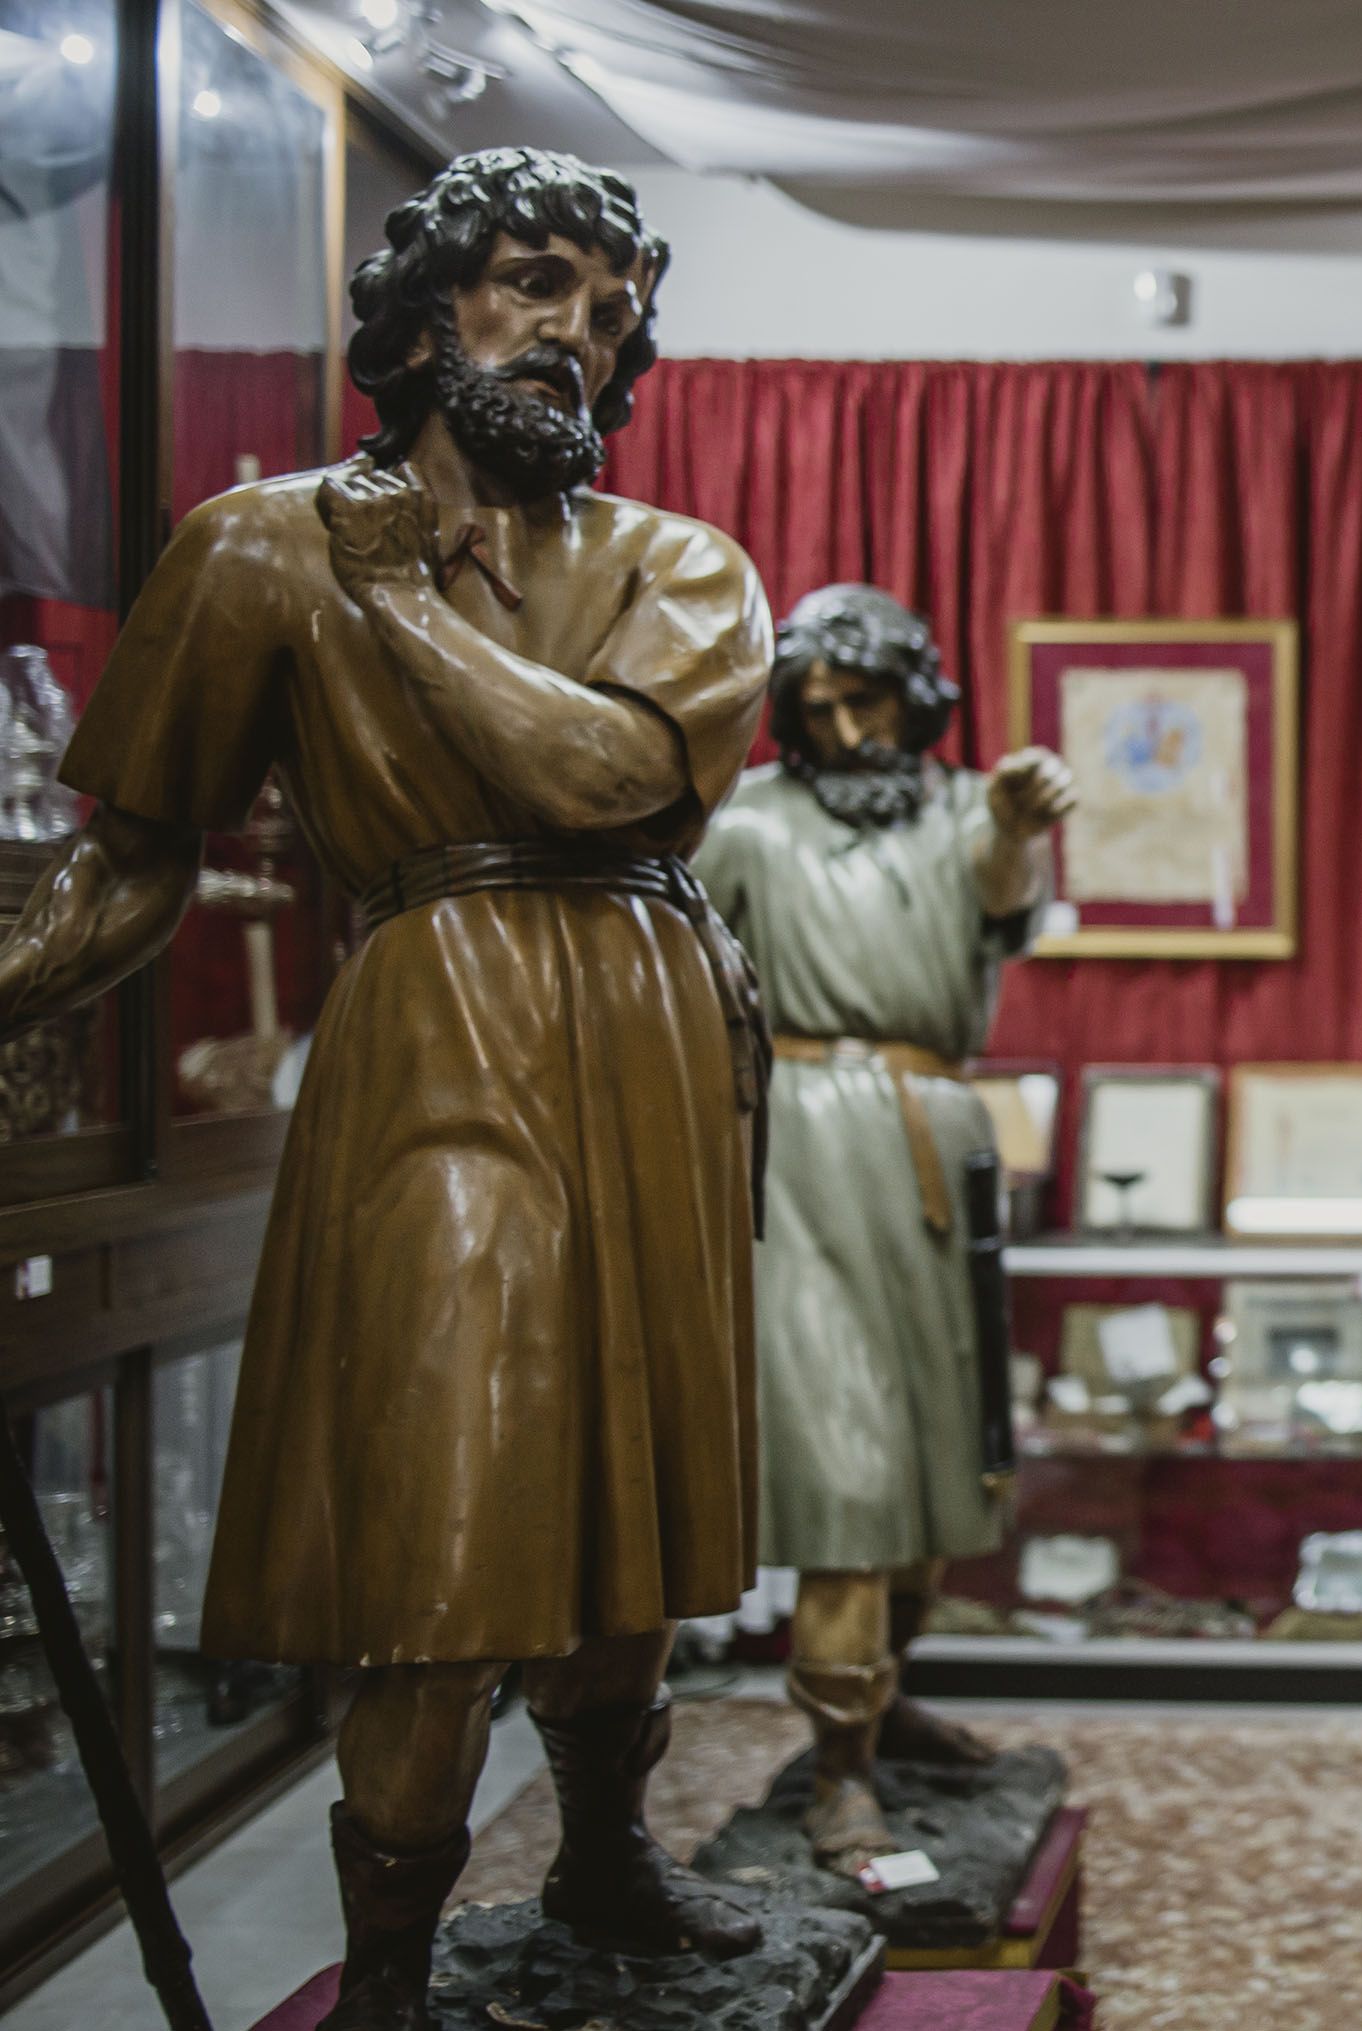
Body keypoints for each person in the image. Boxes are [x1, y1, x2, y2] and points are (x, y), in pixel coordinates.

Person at [0, 150, 774, 2030]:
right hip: (440, 1010)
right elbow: (133, 852)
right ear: (428, 311)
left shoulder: (679, 566)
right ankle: (398, 1974)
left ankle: (600, 1848)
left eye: (610, 311)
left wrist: (411, 611)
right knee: (458, 1487)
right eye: (531, 285)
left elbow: (612, 786)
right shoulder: (258, 549)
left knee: (633, 1479)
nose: (576, 338)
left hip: (653, 1015)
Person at [693, 584, 1075, 1869]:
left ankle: (886, 1697)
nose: (849, 729)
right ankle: (836, 1766)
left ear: (916, 699)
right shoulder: (747, 822)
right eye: (821, 709)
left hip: (937, 1135)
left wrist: (1018, 830)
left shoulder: (973, 810)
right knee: (847, 1458)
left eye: (870, 701)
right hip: (802, 1146)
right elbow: (683, 984)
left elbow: (1003, 905)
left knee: (940, 1452)